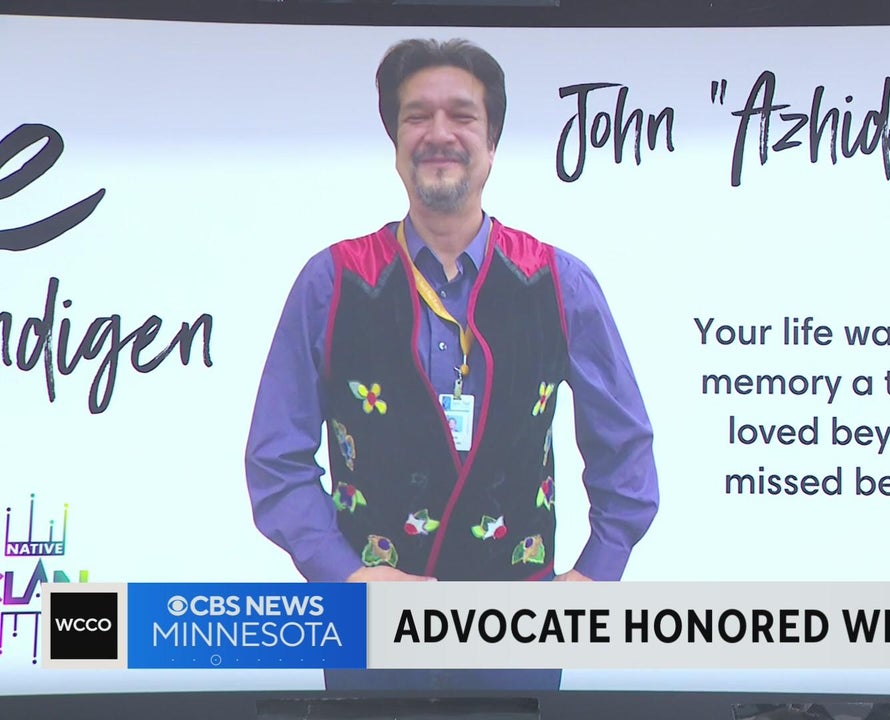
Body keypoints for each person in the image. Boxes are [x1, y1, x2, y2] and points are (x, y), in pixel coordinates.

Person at [244, 38, 659, 690]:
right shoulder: (332, 281)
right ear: (395, 141)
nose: (439, 133)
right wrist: (345, 578)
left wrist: (595, 576)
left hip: (517, 636)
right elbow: (275, 459)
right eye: (418, 116)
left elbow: (625, 446)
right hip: (370, 634)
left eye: (462, 115)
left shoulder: (559, 281)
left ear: (492, 142)